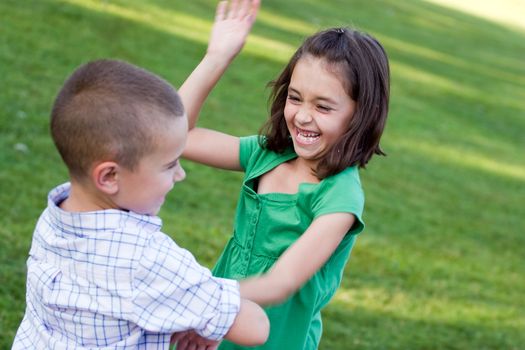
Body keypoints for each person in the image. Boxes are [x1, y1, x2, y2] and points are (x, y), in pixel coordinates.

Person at [12, 58, 269, 349]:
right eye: (169, 165)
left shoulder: (53, 220)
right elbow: (254, 327)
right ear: (109, 176)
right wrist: (202, 315)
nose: (180, 174)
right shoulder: (146, 259)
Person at [176, 0, 390, 348]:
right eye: (295, 97)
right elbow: (177, 137)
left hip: (274, 338)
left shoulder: (339, 195)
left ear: (361, 115)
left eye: (323, 106)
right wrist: (216, 58)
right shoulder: (267, 154)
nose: (303, 117)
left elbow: (282, 281)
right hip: (221, 326)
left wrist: (210, 305)